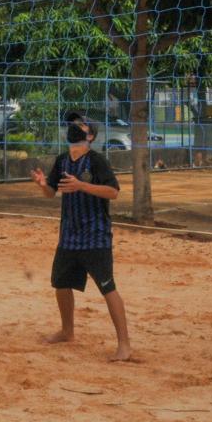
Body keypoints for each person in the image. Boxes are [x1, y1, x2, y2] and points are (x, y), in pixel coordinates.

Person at [32, 114, 132, 361]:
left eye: (81, 125)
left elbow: (113, 192)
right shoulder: (62, 160)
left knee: (108, 288)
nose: (74, 128)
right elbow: (50, 194)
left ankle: (124, 345)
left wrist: (82, 186)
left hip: (95, 236)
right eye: (73, 124)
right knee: (61, 283)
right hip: (69, 235)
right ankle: (67, 331)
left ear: (91, 136)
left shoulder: (97, 161)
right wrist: (43, 184)